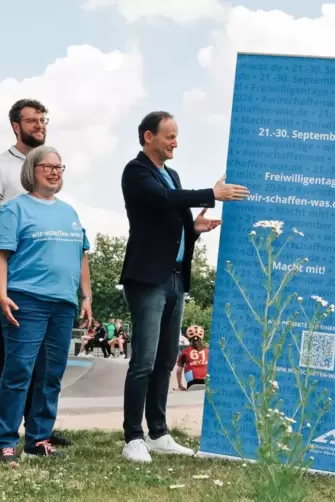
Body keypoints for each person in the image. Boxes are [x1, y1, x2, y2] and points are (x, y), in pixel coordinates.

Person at [119, 110, 250, 463]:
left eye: (177, 136)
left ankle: (158, 432)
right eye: (169, 136)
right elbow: (161, 201)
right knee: (143, 361)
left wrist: (193, 228)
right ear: (149, 137)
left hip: (175, 277)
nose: (175, 142)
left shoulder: (171, 174)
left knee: (164, 361)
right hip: (147, 278)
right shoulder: (136, 171)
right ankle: (133, 437)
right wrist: (212, 192)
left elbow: (172, 215)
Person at [0, 99, 69, 448]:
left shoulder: (49, 167)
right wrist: (20, 246)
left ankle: (37, 428)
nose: (40, 125)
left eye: (43, 119)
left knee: (42, 358)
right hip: (10, 276)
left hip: (45, 283)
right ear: (16, 125)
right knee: (1, 353)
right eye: (32, 121)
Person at [0, 145, 92, 466]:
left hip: (63, 304)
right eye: (47, 166)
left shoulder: (70, 212)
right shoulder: (14, 209)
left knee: (51, 375)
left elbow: (82, 256)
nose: (54, 172)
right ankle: (6, 441)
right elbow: (0, 256)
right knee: (19, 372)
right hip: (26, 301)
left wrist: (86, 297)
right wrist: (2, 294)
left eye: (59, 167)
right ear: (31, 171)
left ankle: (39, 439)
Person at [176, 326, 208, 390]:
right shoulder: (207, 350)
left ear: (188, 338)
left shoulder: (185, 351)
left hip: (192, 382)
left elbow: (179, 371)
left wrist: (180, 385)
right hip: (207, 381)